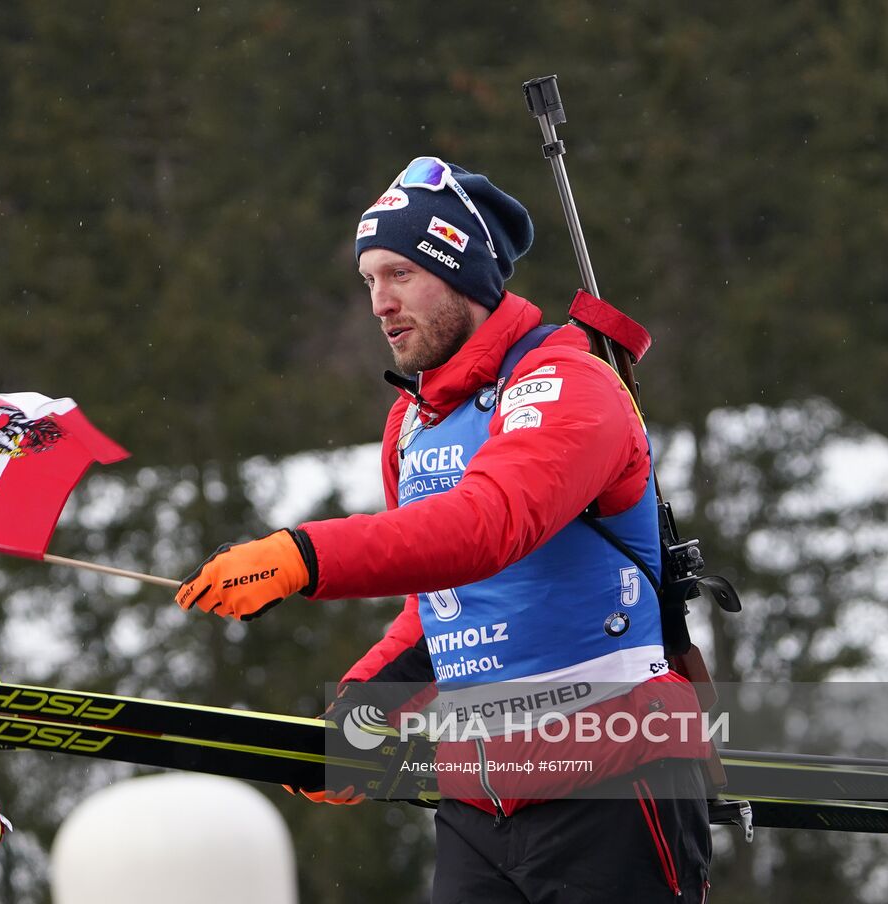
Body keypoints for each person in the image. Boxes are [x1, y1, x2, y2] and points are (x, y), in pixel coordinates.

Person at [175, 156, 713, 903]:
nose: (378, 303)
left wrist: (305, 555)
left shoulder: (567, 382)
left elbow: (486, 527)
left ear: (464, 272)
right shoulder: (413, 423)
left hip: (612, 781)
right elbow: (440, 609)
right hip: (477, 803)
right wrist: (361, 717)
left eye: (400, 274)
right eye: (368, 280)